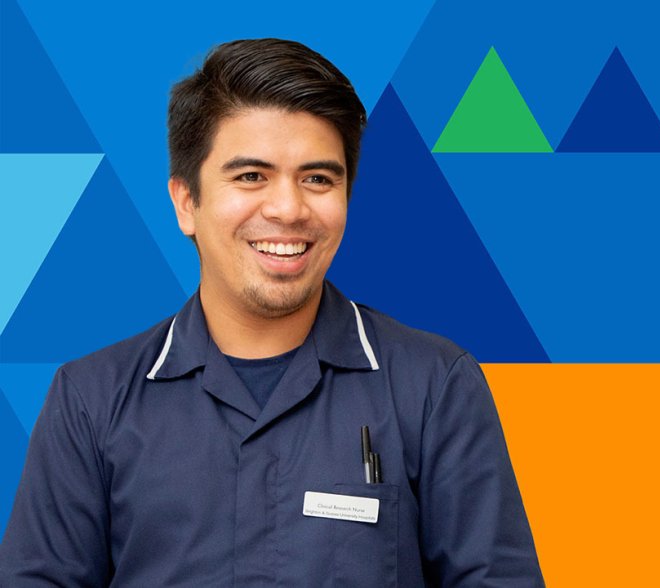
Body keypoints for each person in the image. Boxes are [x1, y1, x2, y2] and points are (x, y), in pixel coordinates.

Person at [0, 39, 545, 586]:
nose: (288, 209)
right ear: (187, 201)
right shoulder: (90, 400)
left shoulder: (433, 385)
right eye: (251, 177)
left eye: (318, 179)